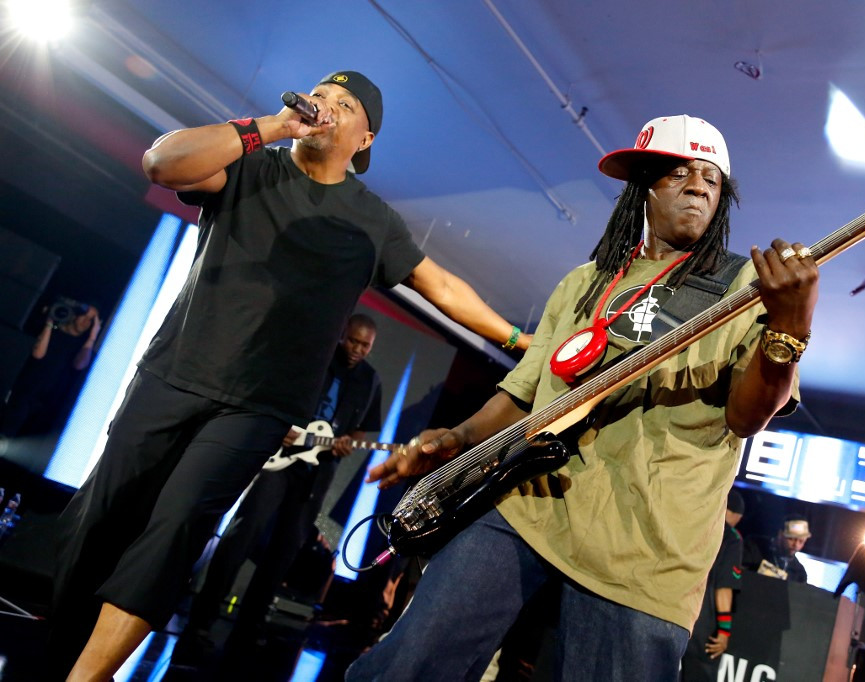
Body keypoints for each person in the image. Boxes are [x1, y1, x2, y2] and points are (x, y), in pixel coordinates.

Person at [45, 69, 531, 682]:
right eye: (320, 94)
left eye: (345, 104)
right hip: (171, 376)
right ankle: (56, 651)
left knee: (175, 530)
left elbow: (442, 287)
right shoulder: (250, 165)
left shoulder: (372, 219)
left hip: (260, 407)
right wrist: (270, 128)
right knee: (96, 521)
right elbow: (161, 163)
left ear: (366, 140)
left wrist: (520, 341)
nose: (326, 105)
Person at [346, 114, 820, 680]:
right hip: (528, 506)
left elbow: (746, 417)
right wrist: (458, 439)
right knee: (405, 667)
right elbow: (525, 393)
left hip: (647, 552)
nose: (698, 186)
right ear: (643, 185)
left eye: (711, 178)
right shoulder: (584, 281)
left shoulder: (747, 289)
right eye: (679, 173)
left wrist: (789, 331)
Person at [175, 314, 384, 656]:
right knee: (241, 536)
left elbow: (361, 428)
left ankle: (249, 628)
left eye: (366, 345)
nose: (358, 350)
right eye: (353, 341)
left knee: (285, 551)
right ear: (342, 335)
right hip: (279, 460)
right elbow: (275, 395)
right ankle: (200, 622)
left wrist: (348, 442)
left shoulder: (370, 380)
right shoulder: (316, 358)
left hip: (317, 470)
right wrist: (281, 425)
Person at [0, 299, 101, 437]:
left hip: (46, 406)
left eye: (91, 320)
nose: (86, 321)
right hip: (23, 395)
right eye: (84, 315)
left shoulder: (83, 347)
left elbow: (79, 365)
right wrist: (50, 321)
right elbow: (38, 354)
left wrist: (92, 337)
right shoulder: (52, 332)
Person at [681, 488, 745, 681]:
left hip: (673, 612)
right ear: (735, 514)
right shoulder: (732, 538)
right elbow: (724, 587)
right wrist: (724, 630)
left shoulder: (692, 521)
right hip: (701, 627)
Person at [744, 514, 811, 583]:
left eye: (801, 541)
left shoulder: (799, 573)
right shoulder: (754, 545)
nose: (796, 545)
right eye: (791, 539)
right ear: (780, 534)